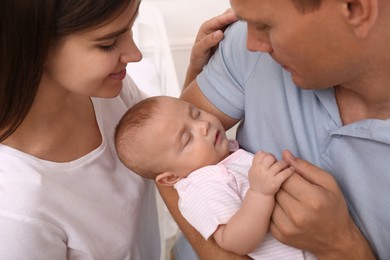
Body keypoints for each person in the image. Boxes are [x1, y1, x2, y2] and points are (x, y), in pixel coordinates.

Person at [0, 0, 237, 258]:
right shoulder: (17, 211)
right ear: (34, 46)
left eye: (130, 29)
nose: (135, 54)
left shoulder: (108, 92)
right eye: (108, 44)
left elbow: (166, 149)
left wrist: (196, 69)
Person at [158, 0, 390, 259]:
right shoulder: (250, 49)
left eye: (264, 25)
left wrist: (340, 246)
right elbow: (159, 153)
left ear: (356, 9)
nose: (251, 43)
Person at [115, 95, 316, 259]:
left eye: (195, 113)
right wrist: (260, 193)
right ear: (170, 178)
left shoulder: (221, 156)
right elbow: (234, 242)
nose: (202, 126)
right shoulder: (201, 187)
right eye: (187, 139)